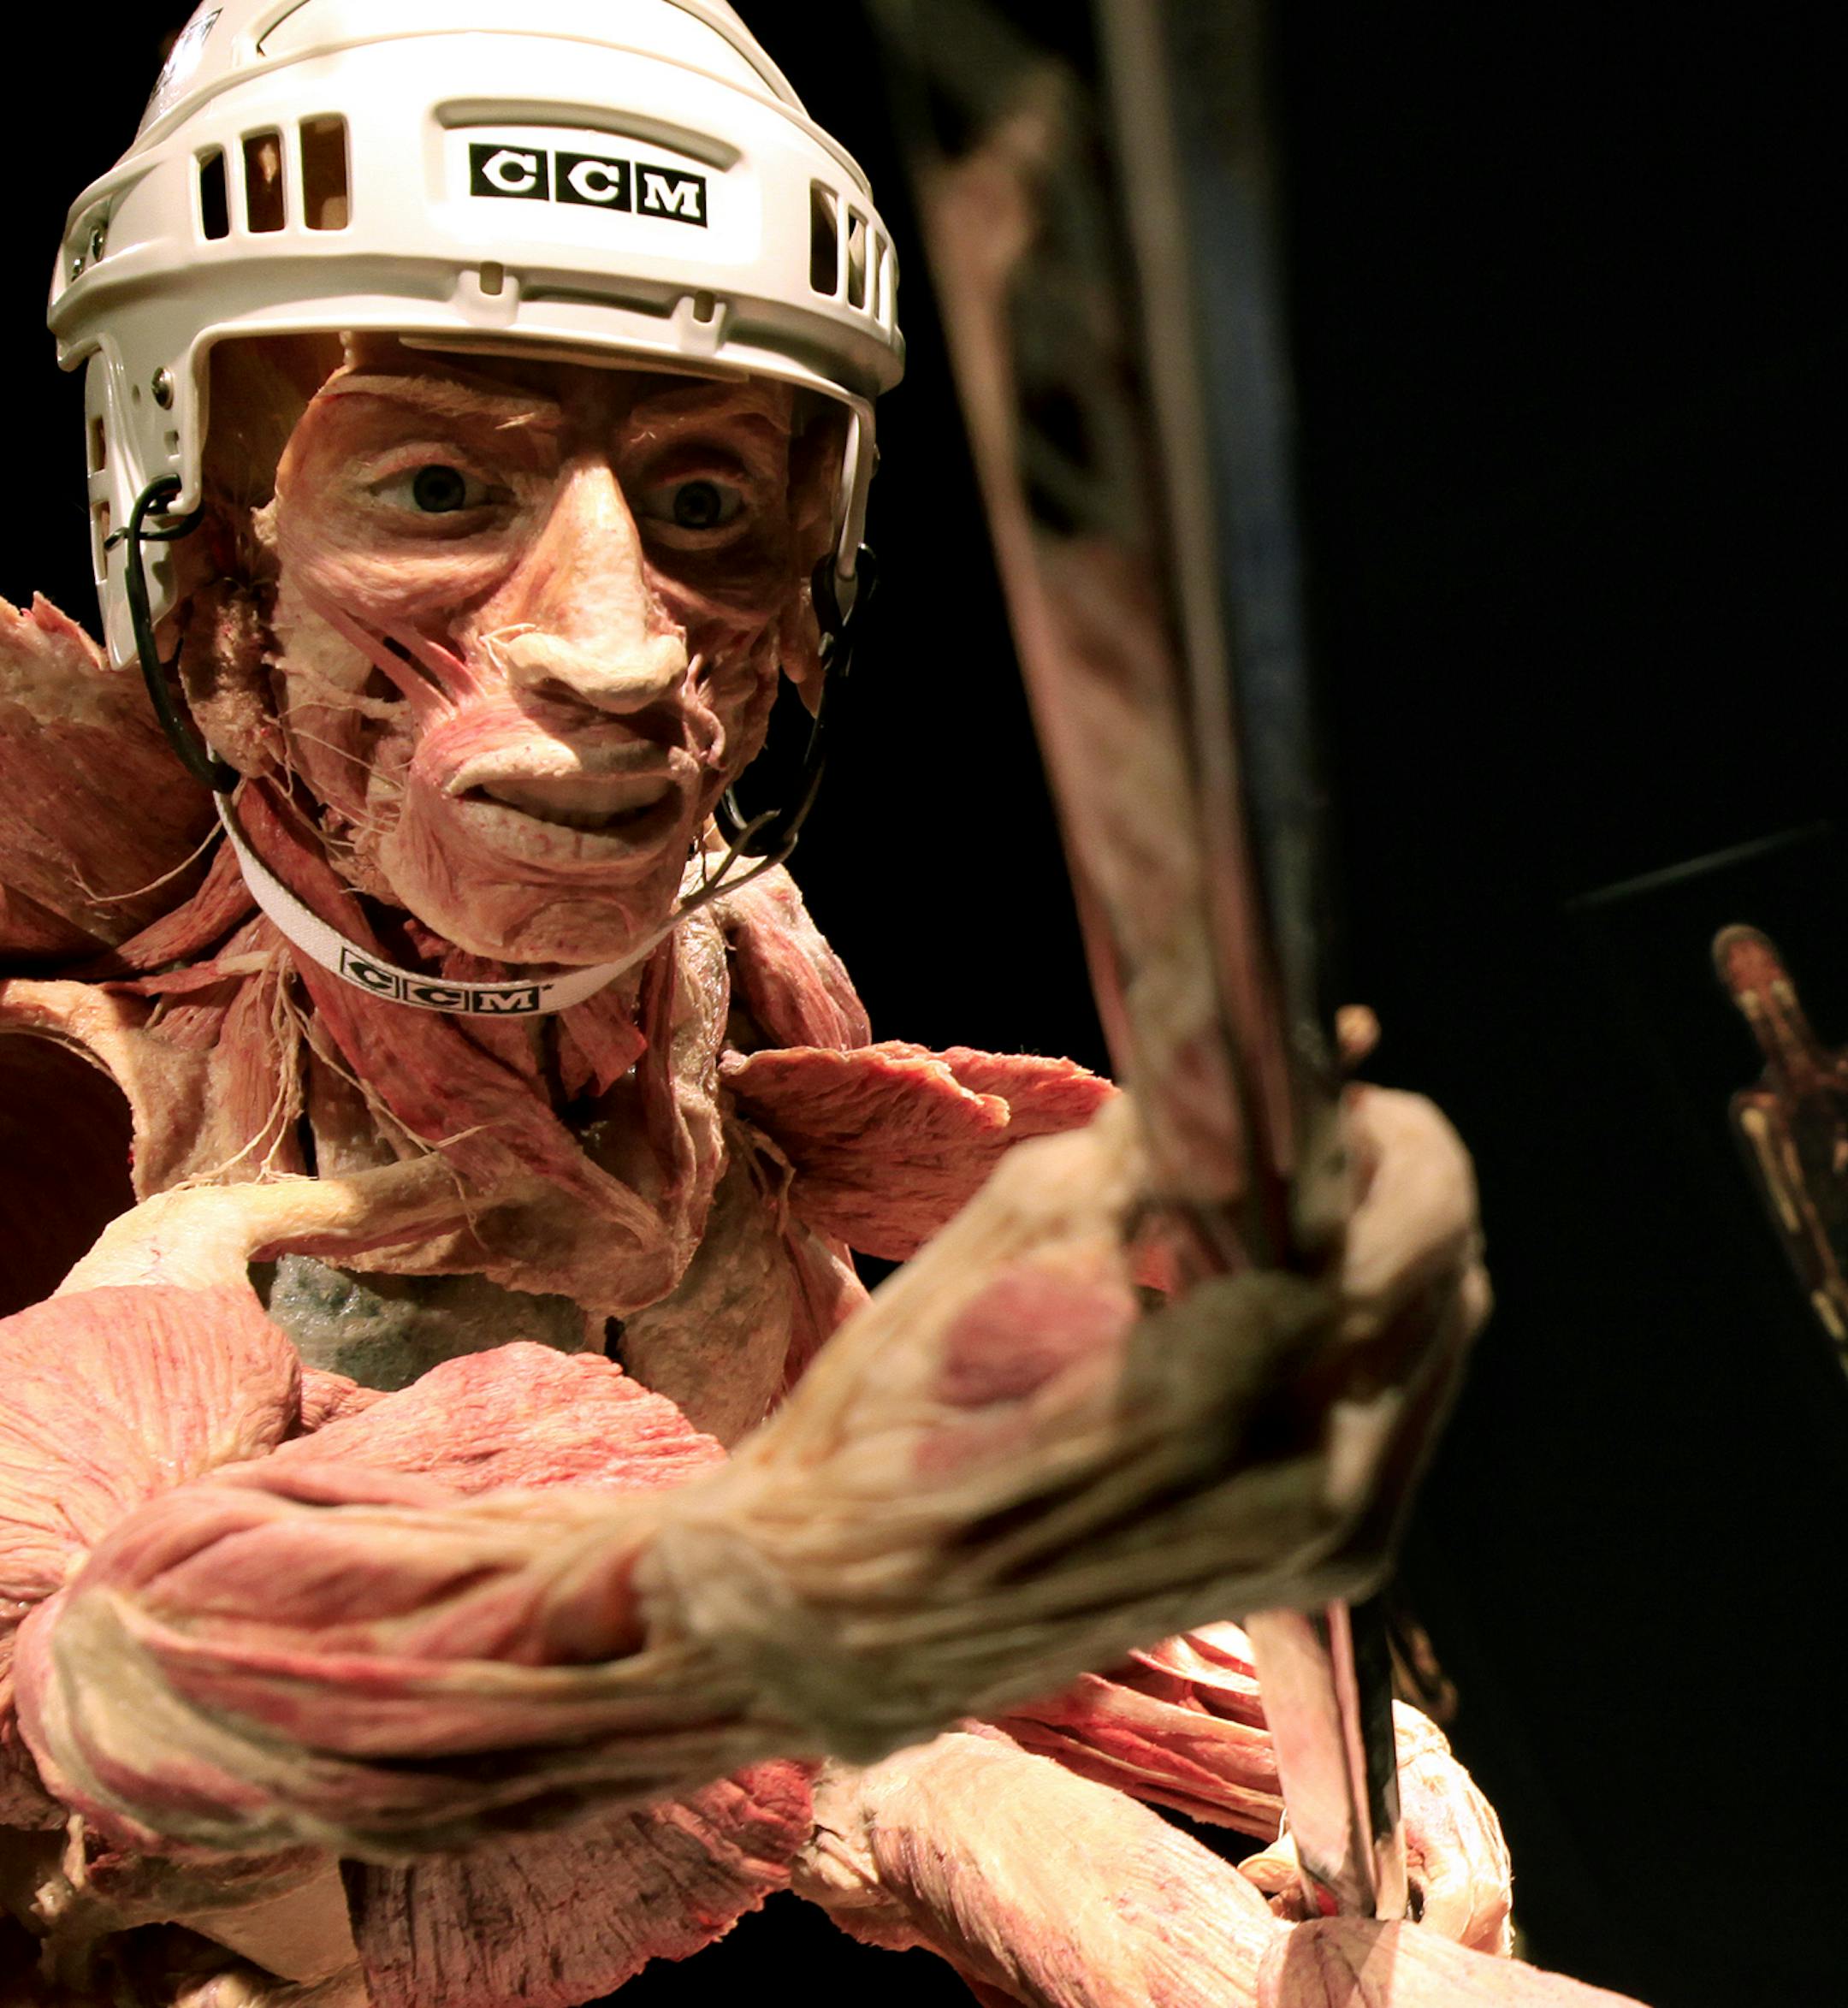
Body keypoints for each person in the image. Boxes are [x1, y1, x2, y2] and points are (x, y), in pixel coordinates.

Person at [0, 7, 1555, 2005]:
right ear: (197, 546)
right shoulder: (103, 1069)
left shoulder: (721, 954)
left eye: (714, 503)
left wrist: (1252, 1699)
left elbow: (811, 1409)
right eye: (438, 485)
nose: (628, 645)